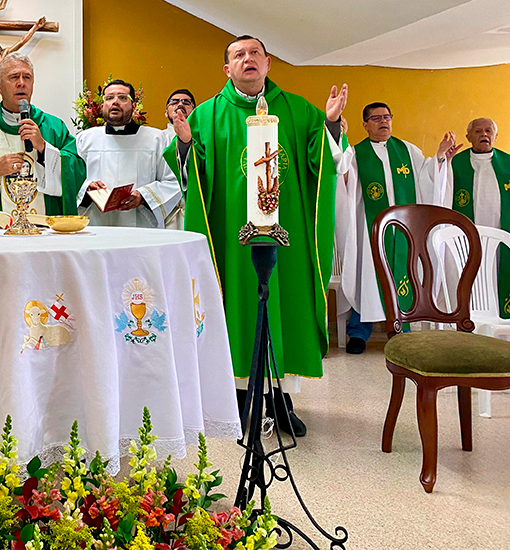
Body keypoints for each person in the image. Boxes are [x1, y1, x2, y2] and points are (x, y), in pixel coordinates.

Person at [181, 35, 348, 437]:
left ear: (269, 62)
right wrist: (185, 144)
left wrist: (329, 124)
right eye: (238, 55)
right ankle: (239, 399)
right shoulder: (206, 115)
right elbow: (194, 179)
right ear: (227, 69)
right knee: (235, 309)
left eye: (255, 53)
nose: (248, 59)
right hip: (231, 239)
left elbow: (321, 160)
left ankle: (280, 400)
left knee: (283, 307)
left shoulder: (298, 111)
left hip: (285, 235)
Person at [339, 102, 457, 354]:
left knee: (404, 273)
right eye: (377, 118)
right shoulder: (357, 152)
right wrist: (340, 142)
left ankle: (400, 328)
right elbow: (345, 181)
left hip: (404, 231)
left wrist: (440, 157)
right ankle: (359, 333)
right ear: (366, 124)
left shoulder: (407, 150)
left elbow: (427, 177)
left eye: (387, 117)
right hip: (370, 227)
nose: (384, 122)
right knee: (367, 277)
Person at [0, 52, 84, 218]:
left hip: (45, 231)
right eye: (13, 77)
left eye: (27, 77)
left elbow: (76, 172)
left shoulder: (54, 127)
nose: (21, 83)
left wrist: (43, 148)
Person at [76, 79, 179, 228]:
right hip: (96, 226)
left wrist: (143, 196)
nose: (115, 102)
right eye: (109, 98)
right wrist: (87, 187)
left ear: (134, 105)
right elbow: (71, 180)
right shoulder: (85, 139)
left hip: (141, 227)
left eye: (123, 98)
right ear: (103, 105)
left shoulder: (157, 139)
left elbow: (173, 181)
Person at [440, 118, 509, 318]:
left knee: (499, 276)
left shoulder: (508, 164)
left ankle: (499, 323)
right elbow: (441, 190)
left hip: (501, 238)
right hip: (465, 239)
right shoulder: (455, 163)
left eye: (488, 131)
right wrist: (444, 160)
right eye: (478, 131)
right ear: (468, 137)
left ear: (496, 136)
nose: (484, 135)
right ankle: (468, 320)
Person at [162, 89, 197, 228]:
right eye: (174, 102)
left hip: (192, 208)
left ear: (195, 111)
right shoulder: (156, 139)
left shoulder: (203, 139)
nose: (180, 104)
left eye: (186, 102)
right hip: (164, 213)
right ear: (166, 112)